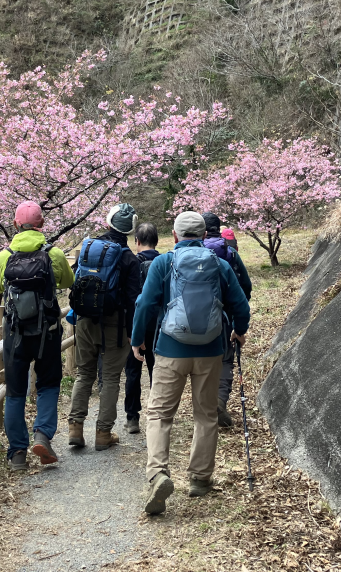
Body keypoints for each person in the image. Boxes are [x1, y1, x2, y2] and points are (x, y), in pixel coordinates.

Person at [131, 211, 251, 515]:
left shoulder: (163, 263)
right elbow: (240, 303)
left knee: (160, 413)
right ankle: (199, 478)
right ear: (203, 235)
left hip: (171, 349)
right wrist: (239, 330)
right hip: (210, 351)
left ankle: (158, 474)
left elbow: (145, 303)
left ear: (174, 235)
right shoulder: (220, 264)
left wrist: (137, 338)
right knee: (206, 414)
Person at [0, 201, 74, 471]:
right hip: (48, 332)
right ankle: (43, 435)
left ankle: (17, 454)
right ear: (41, 224)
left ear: (15, 224)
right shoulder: (53, 253)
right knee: (48, 384)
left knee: (15, 392)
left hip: (16, 334)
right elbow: (68, 281)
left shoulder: (5, 256)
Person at [67, 203, 144, 450]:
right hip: (116, 325)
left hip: (85, 320)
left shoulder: (88, 248)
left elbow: (75, 282)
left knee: (84, 374)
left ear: (108, 223)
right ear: (130, 231)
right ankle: (103, 434)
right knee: (110, 378)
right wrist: (134, 334)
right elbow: (133, 300)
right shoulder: (129, 259)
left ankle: (75, 428)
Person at [201, 212, 253, 429]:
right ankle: (219, 401)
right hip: (225, 317)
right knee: (225, 360)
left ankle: (204, 405)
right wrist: (237, 322)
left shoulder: (194, 252)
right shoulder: (230, 253)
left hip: (197, 316)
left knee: (201, 362)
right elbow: (245, 287)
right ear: (219, 228)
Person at [123, 222, 160, 434]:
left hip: (134, 326)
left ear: (136, 241)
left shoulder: (132, 263)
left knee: (132, 372)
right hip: (159, 327)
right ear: (156, 241)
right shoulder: (165, 263)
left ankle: (132, 418)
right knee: (157, 372)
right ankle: (157, 416)